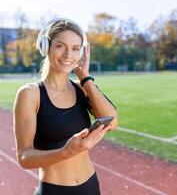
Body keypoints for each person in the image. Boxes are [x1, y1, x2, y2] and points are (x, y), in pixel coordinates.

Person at [13, 18, 118, 195]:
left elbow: (113, 123)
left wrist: (85, 77)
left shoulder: (82, 88)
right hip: (54, 190)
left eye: (75, 48)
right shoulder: (30, 94)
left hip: (90, 186)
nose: (68, 55)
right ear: (46, 47)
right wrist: (66, 152)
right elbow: (24, 158)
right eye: (60, 46)